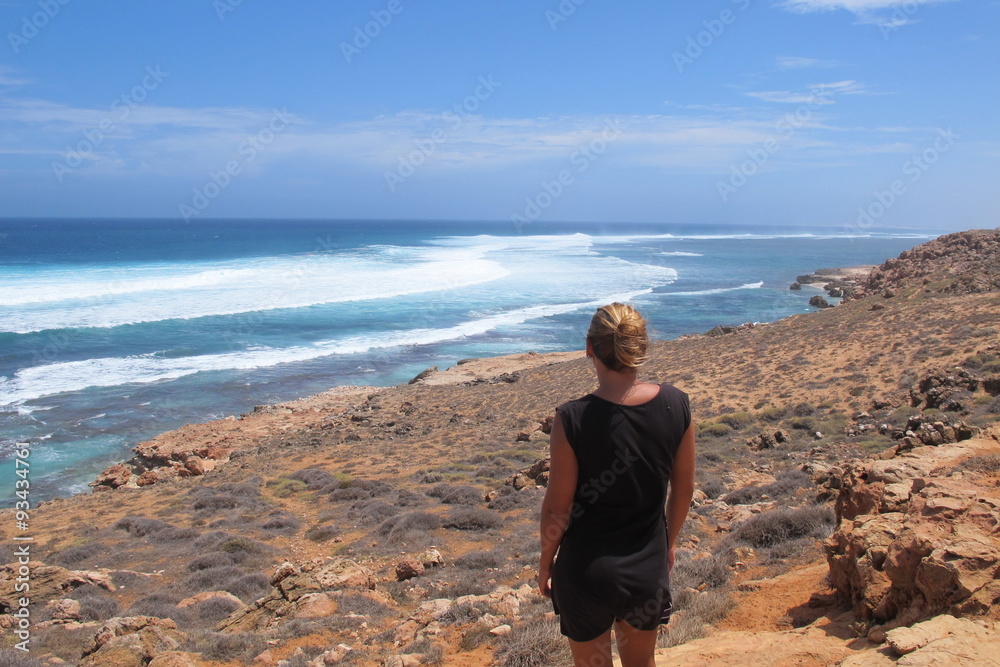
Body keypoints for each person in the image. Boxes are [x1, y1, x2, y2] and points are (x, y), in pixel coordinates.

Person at [537, 303, 696, 667]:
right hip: (646, 571)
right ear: (641, 346)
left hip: (584, 573)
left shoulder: (571, 418)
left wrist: (547, 563)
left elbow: (557, 509)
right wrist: (666, 546)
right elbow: (683, 491)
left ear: (589, 347)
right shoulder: (676, 404)